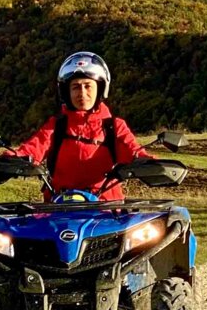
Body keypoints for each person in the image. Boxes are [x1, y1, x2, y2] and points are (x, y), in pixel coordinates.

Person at [12, 52, 150, 201]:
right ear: (67, 92)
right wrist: (11, 160)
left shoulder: (114, 127)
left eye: (88, 86)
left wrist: (150, 164)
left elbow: (133, 151)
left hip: (106, 212)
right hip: (60, 208)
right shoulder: (57, 125)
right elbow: (33, 147)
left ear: (100, 89)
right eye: (76, 87)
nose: (82, 93)